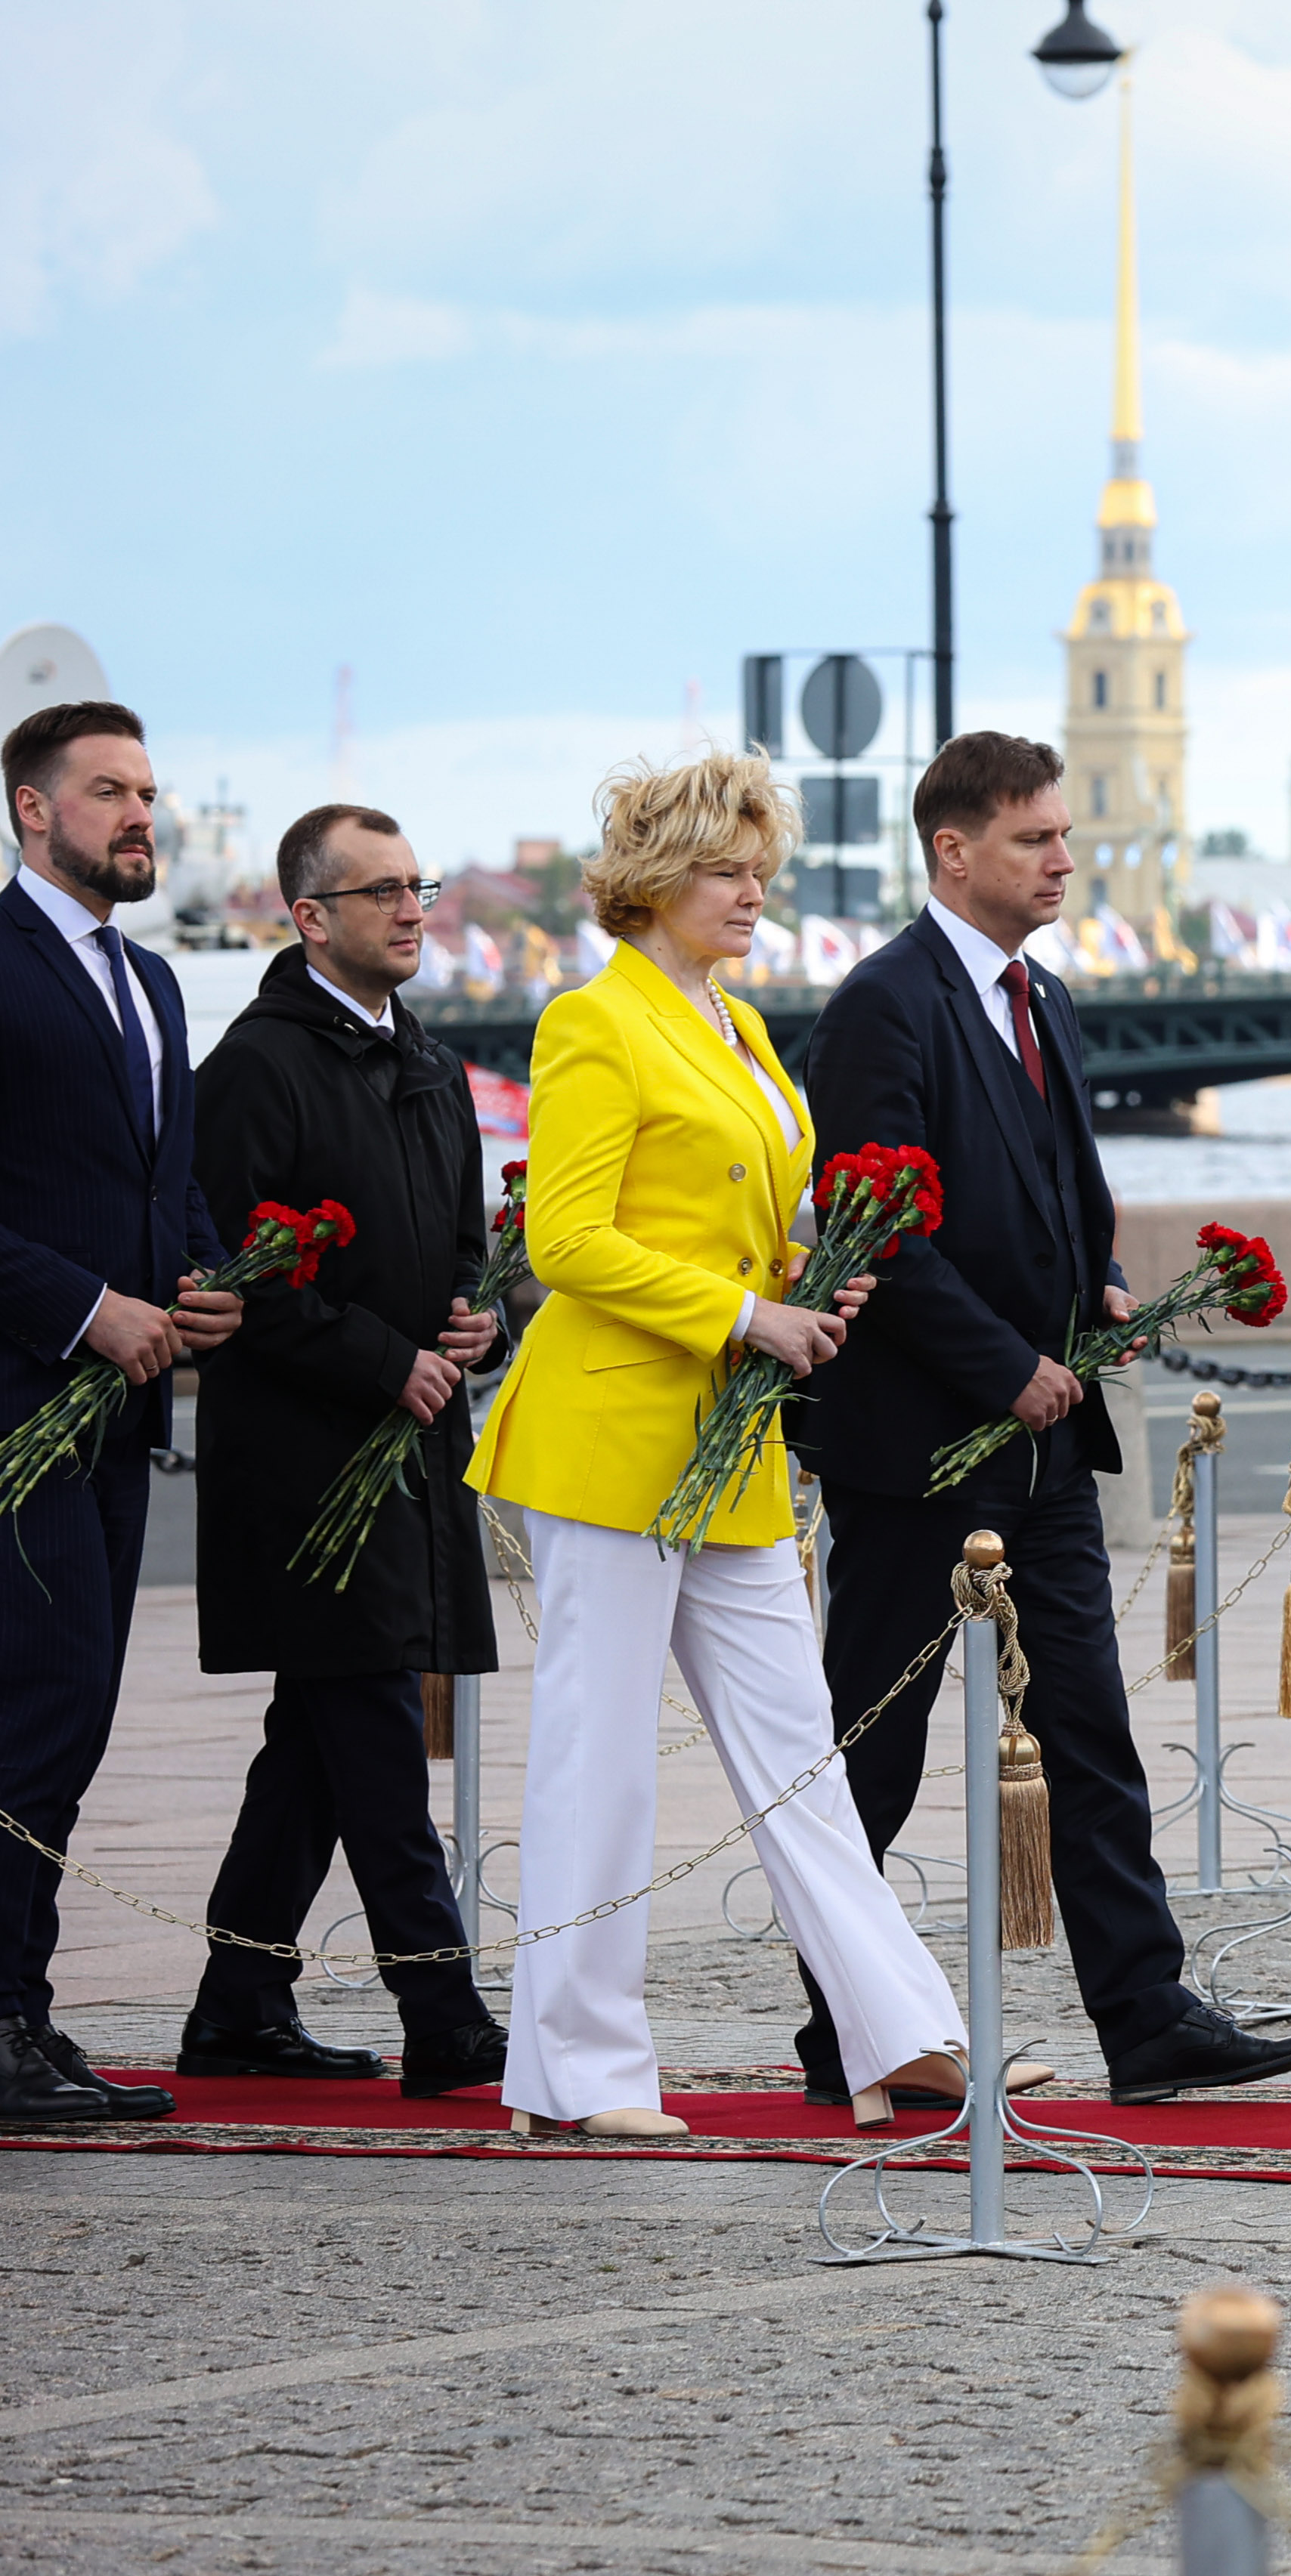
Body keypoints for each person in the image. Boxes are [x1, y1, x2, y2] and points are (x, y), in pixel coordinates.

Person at [795, 731, 1291, 2106]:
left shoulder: (1048, 999)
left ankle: (1148, 2021)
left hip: (1040, 1438)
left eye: (1063, 835)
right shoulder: (881, 1007)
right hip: (922, 1447)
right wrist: (1001, 1365)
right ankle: (842, 2021)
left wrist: (1088, 1285)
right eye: (1034, 838)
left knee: (1089, 1723)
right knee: (883, 1736)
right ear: (952, 851)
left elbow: (1038, 1187)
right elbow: (878, 1235)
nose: (1064, 859)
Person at [462, 750, 968, 2139]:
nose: (751, 892)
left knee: (801, 1752)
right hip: (611, 1429)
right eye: (722, 870)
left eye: (760, 871)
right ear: (648, 881)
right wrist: (752, 1312)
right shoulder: (592, 1019)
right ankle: (574, 2070)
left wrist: (810, 1270)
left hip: (728, 1445)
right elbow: (564, 1242)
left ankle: (904, 2040)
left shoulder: (734, 1022)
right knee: (599, 1753)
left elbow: (741, 1212)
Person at [178, 803, 506, 2095]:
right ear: (309, 916)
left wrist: (474, 1315)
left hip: (412, 1445)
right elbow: (234, 1272)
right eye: (377, 891)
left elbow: (458, 1236)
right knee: (369, 1726)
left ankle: (238, 2003)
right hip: (309, 1460)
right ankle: (445, 2009)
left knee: (316, 1745)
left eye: (415, 884)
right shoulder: (258, 1066)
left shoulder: (421, 1052)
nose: (410, 908)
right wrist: (388, 1360)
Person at [0, 700, 237, 2127]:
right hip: (19, 1394)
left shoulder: (148, 983)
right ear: (34, 811)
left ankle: (25, 2010)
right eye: (108, 791)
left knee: (74, 1714)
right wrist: (88, 1306)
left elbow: (165, 1183)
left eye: (146, 791)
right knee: (31, 1709)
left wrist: (203, 1281)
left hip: (117, 1414)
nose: (139, 814)